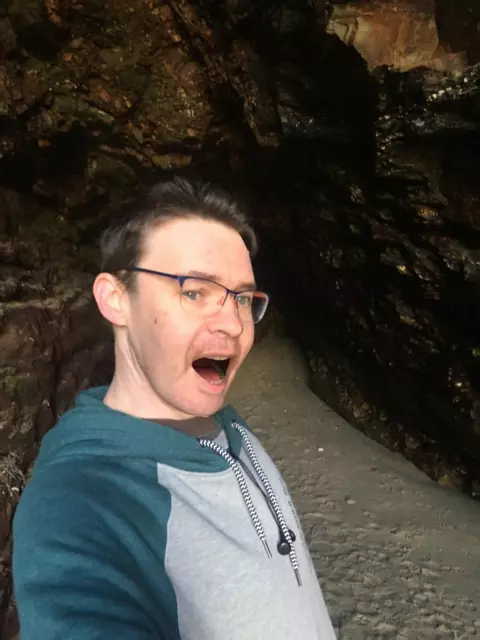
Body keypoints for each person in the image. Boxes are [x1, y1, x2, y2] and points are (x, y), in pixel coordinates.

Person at [12, 177, 336, 639]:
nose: (233, 324)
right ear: (115, 300)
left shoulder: (228, 426)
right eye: (194, 292)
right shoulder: (80, 505)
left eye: (243, 298)